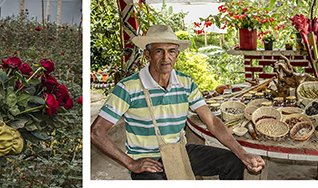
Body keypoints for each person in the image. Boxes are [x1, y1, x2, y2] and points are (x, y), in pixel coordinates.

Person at [90, 25, 265, 180]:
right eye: (159, 51)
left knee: (232, 162)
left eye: (171, 51)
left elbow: (212, 121)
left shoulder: (186, 83)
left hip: (178, 153)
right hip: (147, 159)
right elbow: (96, 132)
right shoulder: (127, 87)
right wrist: (131, 163)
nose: (166, 57)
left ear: (177, 54)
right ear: (147, 54)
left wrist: (243, 154)